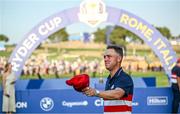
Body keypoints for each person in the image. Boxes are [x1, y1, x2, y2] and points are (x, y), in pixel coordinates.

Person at [83, 45, 134, 114]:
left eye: (109, 56)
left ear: (119, 59)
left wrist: (96, 92)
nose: (105, 59)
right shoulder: (109, 79)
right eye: (104, 57)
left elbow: (117, 94)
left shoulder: (125, 77)